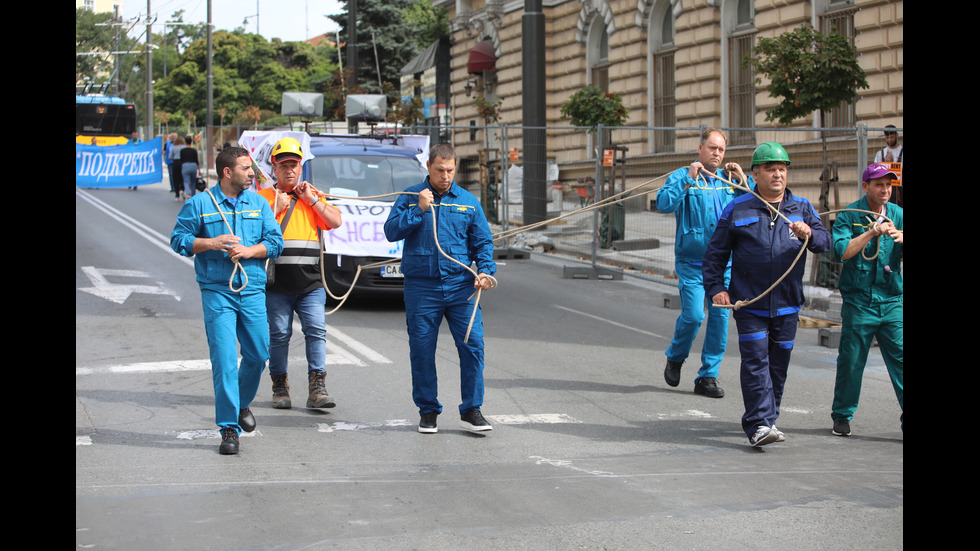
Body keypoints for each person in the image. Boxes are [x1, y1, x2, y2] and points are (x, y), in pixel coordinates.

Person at [703, 142, 831, 447]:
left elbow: (826, 242)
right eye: (770, 169)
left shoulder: (802, 208)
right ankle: (758, 423)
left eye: (782, 169)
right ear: (755, 173)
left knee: (778, 365)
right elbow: (715, 255)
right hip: (750, 304)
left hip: (787, 304)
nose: (777, 174)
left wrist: (810, 233)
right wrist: (717, 288)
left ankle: (767, 419)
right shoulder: (738, 208)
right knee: (756, 361)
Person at [170, 147, 283, 455]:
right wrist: (210, 243)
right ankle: (228, 429)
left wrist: (250, 251)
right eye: (247, 168)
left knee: (259, 354)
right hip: (217, 290)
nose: (252, 173)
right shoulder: (200, 204)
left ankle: (241, 404)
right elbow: (178, 240)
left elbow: (275, 242)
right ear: (227, 172)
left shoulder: (259, 203)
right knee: (223, 359)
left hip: (251, 289)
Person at [384, 144, 497, 434]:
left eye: (450, 170)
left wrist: (485, 271)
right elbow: (391, 231)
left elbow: (483, 243)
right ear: (428, 168)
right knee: (422, 350)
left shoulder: (469, 202)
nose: (445, 176)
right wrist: (419, 210)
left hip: (461, 288)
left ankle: (472, 409)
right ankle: (428, 411)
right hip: (422, 288)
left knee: (473, 346)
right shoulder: (411, 197)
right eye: (439, 170)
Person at [656, 128, 749, 398]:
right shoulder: (684, 176)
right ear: (700, 149)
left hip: (723, 266)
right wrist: (687, 179)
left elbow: (756, 202)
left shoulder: (729, 181)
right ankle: (675, 356)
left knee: (720, 319)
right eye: (712, 148)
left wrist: (743, 179)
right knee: (694, 315)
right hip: (692, 263)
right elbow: (663, 203)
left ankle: (708, 376)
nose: (717, 153)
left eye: (721, 149)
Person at [256, 137, 343, 410]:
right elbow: (253, 234)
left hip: (310, 282)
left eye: (294, 165)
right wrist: (276, 210)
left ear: (301, 166)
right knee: (280, 334)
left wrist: (312, 201)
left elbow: (335, 221)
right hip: (277, 283)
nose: (289, 170)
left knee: (316, 330)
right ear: (274, 168)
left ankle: (317, 386)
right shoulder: (264, 199)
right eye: (284, 166)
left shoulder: (312, 194)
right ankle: (279, 385)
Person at [830, 164, 903, 437]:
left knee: (901, 359)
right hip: (859, 300)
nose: (884, 190)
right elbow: (842, 252)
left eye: (888, 185)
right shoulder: (851, 215)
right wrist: (871, 232)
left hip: (892, 298)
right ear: (866, 187)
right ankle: (842, 415)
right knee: (852, 360)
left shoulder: (898, 215)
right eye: (878, 185)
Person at [873, 125, 903, 207]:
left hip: (900, 192)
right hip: (885, 190)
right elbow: (875, 172)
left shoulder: (902, 151)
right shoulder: (880, 154)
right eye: (887, 137)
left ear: (896, 135)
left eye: (892, 137)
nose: (889, 140)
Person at [181, 135, 200, 199]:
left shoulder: (182, 151)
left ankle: (188, 193)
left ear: (185, 142)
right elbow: (196, 160)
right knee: (193, 181)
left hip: (185, 165)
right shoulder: (194, 150)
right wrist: (199, 170)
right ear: (191, 142)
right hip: (193, 166)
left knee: (186, 181)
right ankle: (193, 195)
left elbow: (181, 160)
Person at [165, 133, 179, 201]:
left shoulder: (178, 144)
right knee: (171, 175)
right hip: (170, 162)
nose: (173, 138)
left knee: (177, 175)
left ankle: (177, 187)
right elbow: (164, 151)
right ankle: (172, 187)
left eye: (175, 137)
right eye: (173, 137)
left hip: (176, 162)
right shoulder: (167, 143)